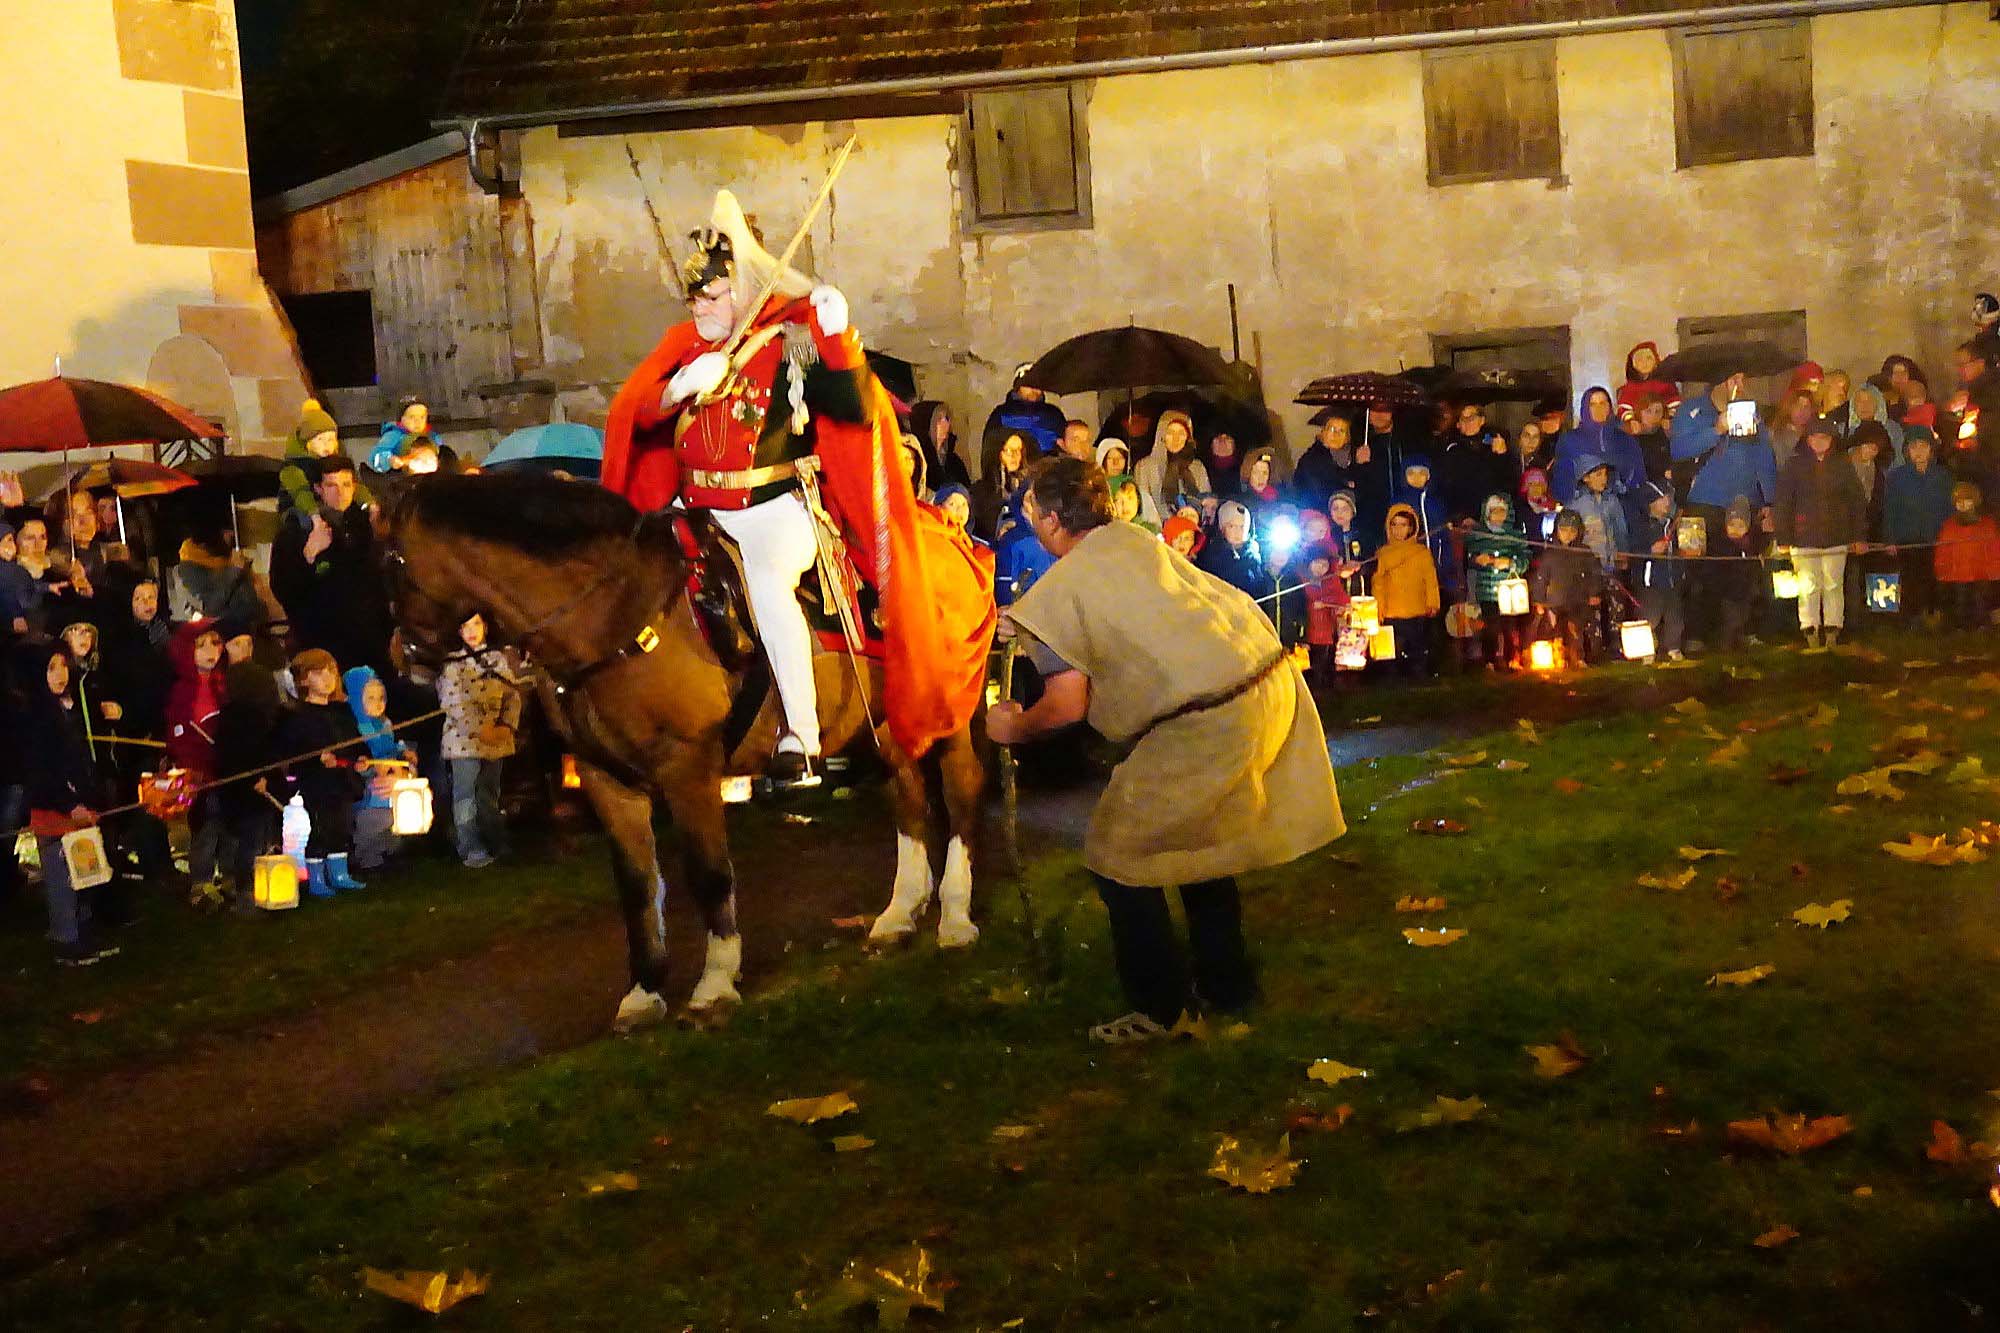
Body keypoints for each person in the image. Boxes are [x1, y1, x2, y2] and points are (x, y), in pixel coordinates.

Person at [988, 457, 1342, 1043]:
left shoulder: (1062, 588)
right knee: (1200, 843)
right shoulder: (1134, 541)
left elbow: (1068, 703)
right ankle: (1228, 990)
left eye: (1032, 512)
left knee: (1118, 853)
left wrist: (1014, 726)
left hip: (1207, 718)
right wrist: (1030, 629)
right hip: (1265, 685)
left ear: (1052, 521)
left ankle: (1159, 1009)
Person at [16, 640, 116, 965]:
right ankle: (65, 938)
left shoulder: (59, 711)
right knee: (61, 875)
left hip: (74, 806)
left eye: (62, 666)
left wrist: (88, 796)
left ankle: (81, 929)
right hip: (53, 809)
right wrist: (68, 803)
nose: (60, 675)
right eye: (51, 668)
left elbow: (74, 760)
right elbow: (41, 771)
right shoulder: (34, 717)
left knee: (82, 869)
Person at [270, 456, 393, 676]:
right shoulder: (297, 531)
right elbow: (283, 587)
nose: (340, 493)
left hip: (373, 645)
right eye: (331, 485)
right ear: (318, 489)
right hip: (325, 648)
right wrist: (309, 556)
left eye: (346, 484)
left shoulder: (367, 525)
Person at [437, 613, 529, 870]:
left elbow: (512, 695)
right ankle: (470, 846)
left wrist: (506, 725)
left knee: (489, 794)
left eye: (476, 624)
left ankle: (495, 840)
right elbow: (453, 702)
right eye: (465, 626)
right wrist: (479, 730)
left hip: (495, 740)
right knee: (465, 796)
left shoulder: (498, 660)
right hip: (464, 742)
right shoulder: (453, 664)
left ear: (486, 626)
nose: (471, 631)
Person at [276, 649, 367, 898]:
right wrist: (317, 758)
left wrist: (360, 756)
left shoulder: (341, 712)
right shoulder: (297, 716)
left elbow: (355, 740)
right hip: (318, 784)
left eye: (331, 672)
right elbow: (294, 749)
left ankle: (339, 872)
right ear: (304, 680)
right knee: (321, 828)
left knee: (342, 825)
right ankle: (317, 878)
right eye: (318, 673)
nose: (327, 678)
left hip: (343, 780)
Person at [1773, 418, 1866, 649]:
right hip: (1804, 538)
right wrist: (1784, 538)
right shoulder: (1794, 466)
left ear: (1831, 440)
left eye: (1824, 437)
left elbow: (1856, 501)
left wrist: (1857, 536)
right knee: (1808, 585)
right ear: (1808, 439)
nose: (1819, 442)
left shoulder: (1842, 465)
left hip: (1836, 535)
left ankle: (1833, 628)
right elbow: (1784, 503)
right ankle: (1810, 628)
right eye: (1815, 437)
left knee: (1833, 584)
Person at [164, 620, 229, 903]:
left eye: (215, 644)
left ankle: (229, 875)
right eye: (200, 646)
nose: (210, 652)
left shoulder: (223, 682)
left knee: (228, 821)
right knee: (206, 824)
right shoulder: (183, 690)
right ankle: (201, 881)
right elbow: (178, 732)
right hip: (199, 771)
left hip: (225, 765)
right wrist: (192, 766)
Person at [344, 665, 415, 875]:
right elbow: (357, 758)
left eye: (381, 697)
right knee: (376, 818)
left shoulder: (384, 724)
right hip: (371, 785)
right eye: (371, 698)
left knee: (396, 813)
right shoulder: (355, 728)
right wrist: (366, 766)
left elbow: (392, 747)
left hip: (391, 777)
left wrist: (403, 753)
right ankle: (367, 857)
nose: (378, 704)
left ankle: (387, 852)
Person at [1883, 430, 1953, 623]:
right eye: (1914, 447)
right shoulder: (1897, 477)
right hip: (1908, 539)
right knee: (1910, 580)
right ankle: (1911, 619)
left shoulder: (1942, 476)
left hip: (1935, 538)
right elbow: (1890, 509)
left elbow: (1949, 508)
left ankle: (1934, 616)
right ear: (1907, 451)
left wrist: (1949, 536)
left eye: (1923, 446)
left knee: (1933, 579)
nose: (1919, 452)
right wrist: (1889, 539)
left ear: (1931, 450)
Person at [1372, 503, 1440, 676]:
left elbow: (1430, 579)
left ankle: (1419, 677)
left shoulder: (1421, 552)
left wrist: (1433, 601)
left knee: (1417, 648)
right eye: (1394, 524)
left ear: (1411, 527)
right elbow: (1378, 583)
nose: (1398, 529)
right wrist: (1378, 609)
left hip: (1416, 610)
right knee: (1391, 651)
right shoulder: (1384, 553)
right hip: (1391, 612)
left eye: (1403, 525)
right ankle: (1393, 680)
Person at [279, 398, 370, 524]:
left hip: (328, 508)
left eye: (331, 439)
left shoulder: (337, 462)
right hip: (299, 511)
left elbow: (355, 485)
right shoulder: (294, 467)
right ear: (308, 443)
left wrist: (368, 504)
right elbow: (301, 492)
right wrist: (314, 514)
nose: (327, 445)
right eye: (320, 440)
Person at [1530, 510, 1603, 666]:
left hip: (1578, 601)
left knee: (1576, 631)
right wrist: (1539, 599)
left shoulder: (1584, 553)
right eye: (1563, 530)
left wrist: (1594, 592)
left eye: (1572, 531)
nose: (1567, 534)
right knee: (1554, 632)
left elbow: (1594, 574)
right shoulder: (1549, 554)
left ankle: (1579, 658)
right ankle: (1558, 659)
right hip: (1555, 602)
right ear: (1557, 530)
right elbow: (1541, 578)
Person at [1466, 493, 1530, 670]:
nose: (1498, 516)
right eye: (1494, 512)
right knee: (1490, 628)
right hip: (1487, 591)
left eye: (1502, 512)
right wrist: (1477, 560)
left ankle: (1512, 659)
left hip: (1509, 591)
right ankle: (1490, 660)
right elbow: (1470, 558)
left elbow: (1524, 561)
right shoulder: (1478, 537)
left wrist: (1510, 564)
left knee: (1509, 627)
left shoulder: (1515, 538)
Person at [1626, 481, 1688, 662]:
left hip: (1672, 580)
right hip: (1651, 582)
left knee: (1675, 617)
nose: (1667, 502)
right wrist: (1650, 551)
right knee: (1649, 617)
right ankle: (1645, 651)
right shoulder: (1642, 527)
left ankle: (1673, 647)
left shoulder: (1674, 526)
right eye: (1662, 498)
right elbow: (1633, 552)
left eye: (1668, 498)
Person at [1552, 387, 1641, 501]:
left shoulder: (1625, 440)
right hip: (1584, 509)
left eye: (1603, 403)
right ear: (1585, 408)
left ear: (1610, 406)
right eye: (1593, 404)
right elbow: (1562, 480)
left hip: (1622, 509)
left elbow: (1638, 476)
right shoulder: (1570, 440)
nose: (1598, 408)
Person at [166, 527, 265, 628]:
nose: (230, 535)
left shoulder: (225, 557)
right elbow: (210, 607)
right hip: (227, 626)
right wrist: (235, 570)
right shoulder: (191, 569)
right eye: (225, 532)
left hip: (248, 619)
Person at [1935, 480, 2000, 629]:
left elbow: (1994, 552)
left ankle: (1981, 628)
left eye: (1967, 500)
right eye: (1959, 501)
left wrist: (1993, 573)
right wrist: (1942, 572)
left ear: (1975, 502)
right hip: (1957, 575)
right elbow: (1942, 552)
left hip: (1980, 575)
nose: (1963, 504)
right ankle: (1959, 630)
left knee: (1980, 603)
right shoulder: (1949, 525)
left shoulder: (1987, 525)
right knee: (1959, 604)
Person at [1710, 498, 1770, 652]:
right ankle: (1726, 646)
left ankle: (1744, 639)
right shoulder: (1722, 545)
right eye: (1732, 525)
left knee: (1746, 615)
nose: (1736, 529)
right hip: (1729, 591)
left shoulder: (1751, 544)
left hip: (1747, 589)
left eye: (1740, 525)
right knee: (1731, 620)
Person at [1436, 403, 1513, 523]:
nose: (1467, 422)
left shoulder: (1495, 443)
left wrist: (1502, 455)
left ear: (1482, 420)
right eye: (1463, 419)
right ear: (1458, 424)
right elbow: (1447, 486)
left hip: (1493, 516)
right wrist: (1460, 516)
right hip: (1463, 518)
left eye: (1471, 418)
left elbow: (1506, 481)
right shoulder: (1451, 448)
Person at [1132, 410, 1210, 526]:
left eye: (1181, 433)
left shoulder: (1197, 468)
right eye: (1171, 432)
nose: (1176, 438)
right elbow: (1144, 506)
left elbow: (1206, 504)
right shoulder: (1145, 467)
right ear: (1162, 435)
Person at [1196, 501, 1275, 609]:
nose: (1238, 532)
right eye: (1231, 526)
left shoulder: (1255, 557)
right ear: (1222, 528)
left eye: (1242, 526)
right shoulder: (1211, 557)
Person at [981, 364, 1065, 458]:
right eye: (1028, 384)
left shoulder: (1054, 414)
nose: (1034, 388)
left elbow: (1066, 447)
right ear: (1018, 387)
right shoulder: (1002, 414)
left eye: (1038, 384)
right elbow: (990, 452)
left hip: (1049, 471)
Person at [1298, 544, 1348, 685]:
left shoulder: (1331, 580)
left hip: (1328, 629)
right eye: (1317, 564)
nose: (1321, 568)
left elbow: (1341, 598)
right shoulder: (1301, 581)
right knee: (1313, 662)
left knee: (1325, 660)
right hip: (1310, 629)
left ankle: (1327, 685)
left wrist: (1331, 605)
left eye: (1324, 564)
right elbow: (1300, 602)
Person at [972, 429, 1031, 542]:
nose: (1014, 456)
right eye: (1008, 450)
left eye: (1018, 450)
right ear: (996, 453)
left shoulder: (1028, 489)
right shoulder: (979, 493)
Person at [1292, 414, 1359, 514]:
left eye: (1341, 431)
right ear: (1323, 433)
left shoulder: (1355, 458)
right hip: (1320, 517)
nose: (1336, 434)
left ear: (1347, 438)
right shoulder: (1311, 460)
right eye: (1332, 429)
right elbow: (1319, 491)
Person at [909, 401, 971, 491]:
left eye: (946, 418)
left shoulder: (955, 462)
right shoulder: (918, 463)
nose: (945, 423)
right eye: (938, 419)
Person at [1616, 341, 1680, 425]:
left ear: (1655, 361)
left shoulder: (1665, 383)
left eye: (1649, 358)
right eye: (1640, 360)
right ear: (1633, 364)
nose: (1644, 363)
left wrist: (1669, 417)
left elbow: (1674, 402)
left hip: (1662, 425)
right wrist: (1631, 420)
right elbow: (1624, 407)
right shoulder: (1630, 387)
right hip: (1639, 427)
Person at [368, 398, 432, 472]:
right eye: (412, 417)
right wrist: (389, 460)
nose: (417, 421)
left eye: (422, 417)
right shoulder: (393, 436)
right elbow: (376, 457)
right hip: (400, 477)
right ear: (402, 419)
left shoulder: (432, 437)